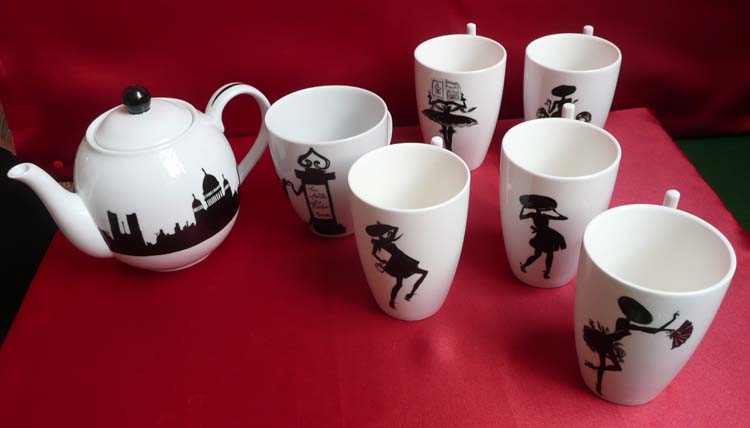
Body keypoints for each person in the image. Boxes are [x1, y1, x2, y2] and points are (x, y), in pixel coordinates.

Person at [583, 296, 690, 396]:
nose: (633, 316)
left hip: (607, 343)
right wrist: (671, 322)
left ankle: (596, 373)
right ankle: (597, 383)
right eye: (632, 313)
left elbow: (654, 331)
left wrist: (672, 320)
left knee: (616, 367)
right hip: (606, 340)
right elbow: (653, 331)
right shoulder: (622, 322)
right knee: (610, 365)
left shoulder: (628, 324)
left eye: (635, 314)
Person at [366, 222, 428, 309]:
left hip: (398, 259)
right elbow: (396, 228)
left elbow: (373, 253)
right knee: (423, 273)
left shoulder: (379, 242)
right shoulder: (386, 240)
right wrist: (387, 227)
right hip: (400, 259)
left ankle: (394, 301)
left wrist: (381, 260)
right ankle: (409, 295)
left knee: (399, 284)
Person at [519, 205, 568, 278]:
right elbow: (521, 217)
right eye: (537, 207)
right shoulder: (533, 215)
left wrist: (555, 211)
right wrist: (522, 208)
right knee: (538, 255)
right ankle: (524, 266)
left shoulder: (545, 216)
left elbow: (563, 218)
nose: (538, 209)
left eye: (539, 207)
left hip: (548, 235)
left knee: (549, 254)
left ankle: (547, 273)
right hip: (541, 236)